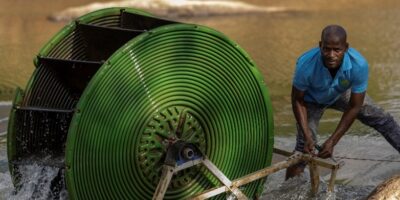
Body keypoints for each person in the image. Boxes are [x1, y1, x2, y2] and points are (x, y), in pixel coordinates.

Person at [285, 24, 400, 179]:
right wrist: (307, 135)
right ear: (320, 46)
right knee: (303, 148)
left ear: (346, 48)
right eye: (326, 49)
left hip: (340, 93)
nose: (331, 55)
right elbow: (297, 100)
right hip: (311, 100)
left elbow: (355, 106)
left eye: (337, 50)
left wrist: (333, 140)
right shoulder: (306, 64)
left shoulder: (358, 64)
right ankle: (288, 190)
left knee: (382, 119)